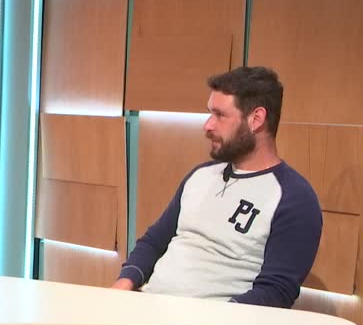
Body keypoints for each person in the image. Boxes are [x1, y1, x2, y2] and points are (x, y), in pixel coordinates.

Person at [111, 66, 321, 308]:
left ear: (256, 119)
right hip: (147, 307)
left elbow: (276, 292)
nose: (208, 126)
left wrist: (216, 319)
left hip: (214, 323)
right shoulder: (200, 176)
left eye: (220, 115)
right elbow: (154, 242)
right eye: (210, 114)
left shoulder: (294, 198)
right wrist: (123, 285)